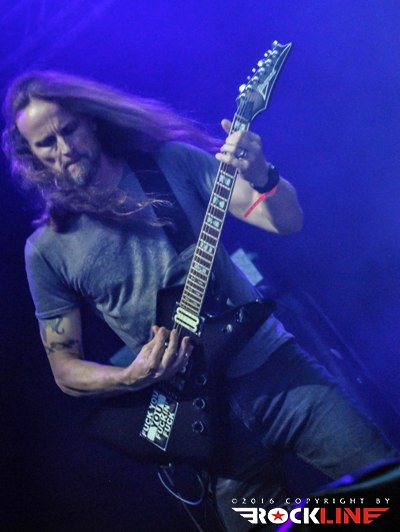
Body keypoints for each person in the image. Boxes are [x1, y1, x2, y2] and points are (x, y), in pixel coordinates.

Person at [2, 71, 398, 531]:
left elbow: (285, 221)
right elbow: (65, 369)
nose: (64, 149)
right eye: (46, 143)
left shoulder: (170, 163)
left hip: (279, 376)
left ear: (90, 120)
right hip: (204, 424)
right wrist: (131, 376)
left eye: (68, 130)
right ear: (31, 156)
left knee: (383, 491)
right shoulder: (47, 250)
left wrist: (263, 175)